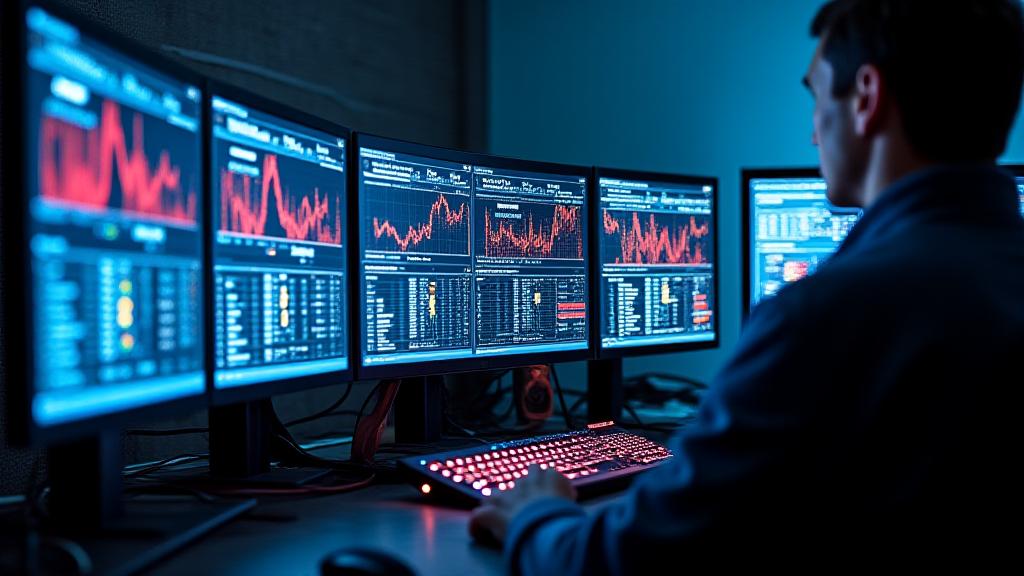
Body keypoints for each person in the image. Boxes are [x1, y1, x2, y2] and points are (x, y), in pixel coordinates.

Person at [469, 0, 1024, 571]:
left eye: (815, 96)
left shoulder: (823, 320)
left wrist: (534, 516)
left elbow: (624, 562)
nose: (813, 134)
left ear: (866, 98)